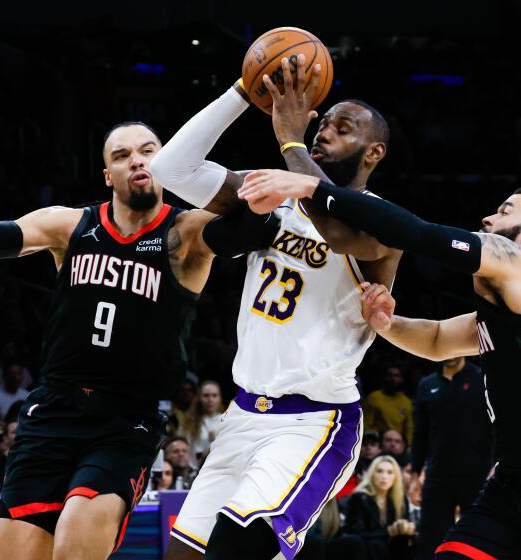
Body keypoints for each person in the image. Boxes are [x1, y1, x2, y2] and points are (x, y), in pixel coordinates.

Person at [0, 122, 270, 560]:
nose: (137, 160)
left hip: (125, 419)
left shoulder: (186, 234)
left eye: (149, 151)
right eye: (121, 155)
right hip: (53, 411)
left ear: (167, 165)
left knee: (76, 542)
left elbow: (254, 226)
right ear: (107, 175)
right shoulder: (70, 226)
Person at [238, 171, 521, 558]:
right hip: (515, 485)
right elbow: (435, 340)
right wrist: (386, 323)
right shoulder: (509, 311)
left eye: (505, 210)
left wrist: (311, 186)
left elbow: (419, 235)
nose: (488, 217)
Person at [149, 55, 402, 560]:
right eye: (323, 123)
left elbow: (334, 226)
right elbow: (169, 168)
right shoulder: (272, 194)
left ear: (373, 153)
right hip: (243, 415)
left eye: (343, 128)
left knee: (232, 551)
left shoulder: (383, 221)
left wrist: (289, 140)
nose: (324, 131)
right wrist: (244, 91)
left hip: (313, 424)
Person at [410, 356, 493, 559]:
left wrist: (497, 464)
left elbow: (498, 425)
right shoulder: (427, 384)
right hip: (438, 473)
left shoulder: (482, 377)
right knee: (429, 538)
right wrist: (414, 475)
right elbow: (420, 434)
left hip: (477, 473)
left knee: (480, 536)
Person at [344, 455, 416, 560]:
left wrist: (407, 528)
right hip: (366, 547)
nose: (384, 476)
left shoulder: (400, 500)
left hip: (391, 547)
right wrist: (388, 532)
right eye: (379, 471)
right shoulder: (359, 498)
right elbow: (355, 533)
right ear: (372, 474)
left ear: (396, 477)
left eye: (390, 472)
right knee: (378, 545)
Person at [364, 366, 413, 445]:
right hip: (377, 443)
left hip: (397, 443)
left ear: (401, 379)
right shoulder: (374, 397)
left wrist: (408, 445)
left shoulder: (406, 402)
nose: (392, 378)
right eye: (389, 375)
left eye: (396, 376)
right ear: (384, 377)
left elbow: (408, 428)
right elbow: (365, 424)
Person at [178, 380, 224, 464]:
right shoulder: (189, 422)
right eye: (206, 396)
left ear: (220, 398)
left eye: (214, 395)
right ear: (199, 398)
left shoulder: (227, 419)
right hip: (194, 469)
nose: (210, 399)